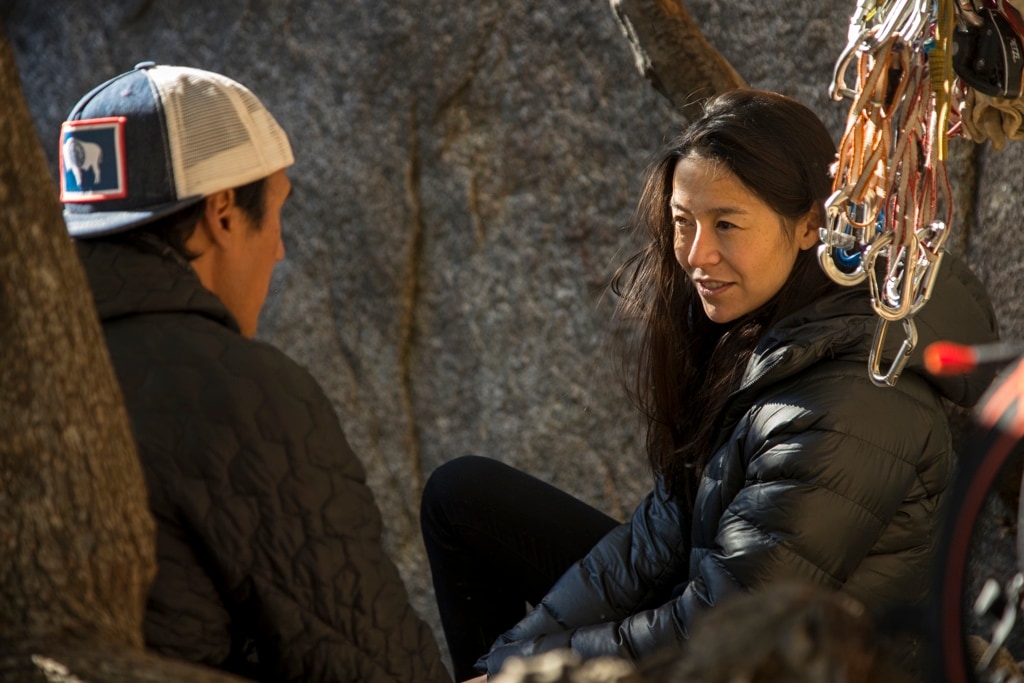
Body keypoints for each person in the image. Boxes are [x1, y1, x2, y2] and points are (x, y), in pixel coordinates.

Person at [420, 89, 1000, 681]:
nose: (697, 255)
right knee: (462, 496)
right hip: (719, 602)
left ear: (809, 226)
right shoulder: (767, 332)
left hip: (797, 663)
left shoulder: (852, 397)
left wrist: (528, 672)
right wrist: (510, 659)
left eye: (726, 224)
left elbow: (727, 623)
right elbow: (652, 542)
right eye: (682, 223)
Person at [59, 62, 451, 683]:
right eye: (274, 211)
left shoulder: (37, 371)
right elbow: (374, 666)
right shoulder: (240, 397)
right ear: (222, 214)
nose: (279, 248)